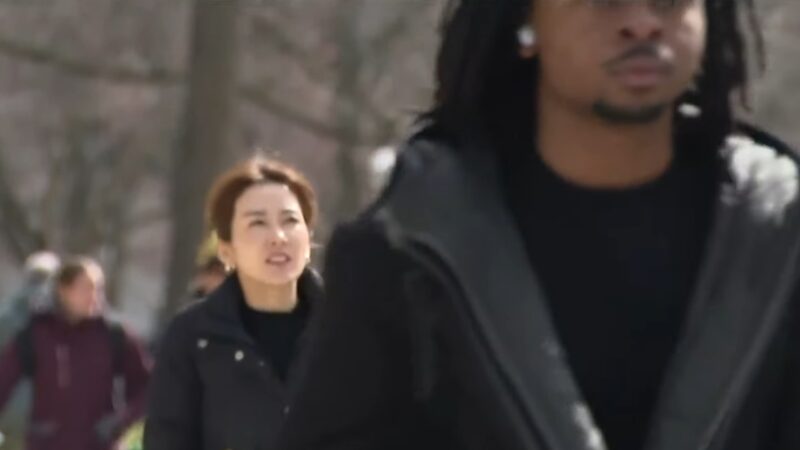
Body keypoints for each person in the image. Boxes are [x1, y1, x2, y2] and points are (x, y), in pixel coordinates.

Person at [275, 1, 800, 449]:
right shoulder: (412, 248)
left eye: (667, 0)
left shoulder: (778, 236)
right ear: (526, 23)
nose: (641, 23)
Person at [144, 156, 324, 450]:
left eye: (290, 220)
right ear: (227, 250)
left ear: (308, 240)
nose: (278, 237)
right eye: (258, 223)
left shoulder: (347, 331)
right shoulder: (193, 336)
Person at [0, 256, 151, 450]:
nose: (94, 296)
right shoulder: (37, 333)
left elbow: (148, 387)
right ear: (63, 290)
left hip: (98, 444)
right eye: (85, 288)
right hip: (47, 444)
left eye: (98, 288)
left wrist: (119, 423)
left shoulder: (114, 335)